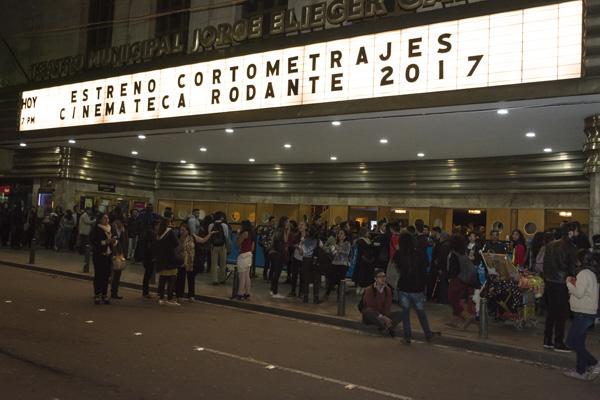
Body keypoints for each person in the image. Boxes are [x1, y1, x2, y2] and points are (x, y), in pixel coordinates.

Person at [564, 250, 600, 380]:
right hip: (586, 312)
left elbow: (578, 293)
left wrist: (568, 282)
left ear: (581, 260)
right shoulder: (591, 273)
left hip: (583, 313)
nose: (576, 261)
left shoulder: (584, 273)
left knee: (571, 341)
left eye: (577, 259)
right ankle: (581, 371)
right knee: (579, 342)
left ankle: (594, 363)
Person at [543, 222, 577, 352]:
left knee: (551, 312)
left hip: (550, 282)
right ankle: (558, 342)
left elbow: (545, 265)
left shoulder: (550, 245)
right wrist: (571, 279)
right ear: (570, 232)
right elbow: (572, 267)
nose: (576, 233)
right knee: (561, 314)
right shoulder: (571, 247)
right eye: (575, 231)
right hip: (562, 282)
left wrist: (547, 277)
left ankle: (547, 340)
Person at [395, 232, 433, 343]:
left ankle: (407, 336)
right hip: (417, 287)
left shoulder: (399, 254)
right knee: (421, 312)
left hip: (404, 286)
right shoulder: (420, 254)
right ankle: (428, 333)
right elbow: (426, 266)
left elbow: (398, 268)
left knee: (405, 313)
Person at [175, 222, 215, 302]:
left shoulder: (193, 237)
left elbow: (203, 240)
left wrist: (210, 234)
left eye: (184, 230)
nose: (182, 232)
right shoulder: (178, 238)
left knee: (191, 279)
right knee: (181, 279)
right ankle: (179, 295)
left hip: (191, 261)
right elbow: (176, 250)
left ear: (188, 231)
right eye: (181, 230)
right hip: (181, 261)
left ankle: (191, 295)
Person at [447, 233, 476, 329]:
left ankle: (467, 316)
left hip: (457, 279)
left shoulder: (453, 254)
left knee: (452, 298)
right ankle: (454, 320)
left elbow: (453, 269)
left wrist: (450, 278)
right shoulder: (463, 252)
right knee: (457, 298)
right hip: (465, 279)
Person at [361, 269, 402, 337]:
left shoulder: (387, 290)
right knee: (368, 311)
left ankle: (386, 327)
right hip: (373, 315)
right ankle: (387, 327)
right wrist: (383, 317)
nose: (382, 278)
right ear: (375, 279)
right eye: (380, 276)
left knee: (401, 313)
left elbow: (387, 306)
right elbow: (370, 306)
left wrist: (385, 316)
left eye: (384, 276)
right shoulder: (369, 289)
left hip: (382, 315)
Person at [89, 213, 116, 305]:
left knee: (106, 275)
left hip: (108, 255)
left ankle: (104, 294)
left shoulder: (110, 228)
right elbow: (94, 242)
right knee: (98, 275)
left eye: (107, 218)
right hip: (99, 255)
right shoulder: (96, 229)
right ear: (100, 219)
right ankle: (97, 294)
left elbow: (114, 239)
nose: (107, 220)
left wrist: (114, 241)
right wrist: (106, 242)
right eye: (105, 218)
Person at [154, 218, 180, 305]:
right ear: (168, 223)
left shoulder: (158, 233)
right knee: (172, 279)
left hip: (161, 259)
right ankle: (169, 298)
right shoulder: (170, 232)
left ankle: (161, 298)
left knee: (162, 279)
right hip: (170, 259)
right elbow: (176, 243)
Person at [324, 229, 351, 301]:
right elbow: (334, 254)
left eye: (341, 233)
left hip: (343, 264)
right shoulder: (336, 243)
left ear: (345, 236)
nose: (340, 235)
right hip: (335, 263)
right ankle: (327, 294)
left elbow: (346, 253)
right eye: (339, 233)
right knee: (332, 279)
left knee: (341, 281)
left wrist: (337, 248)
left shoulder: (347, 243)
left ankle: (339, 297)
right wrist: (332, 250)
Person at [269, 216, 290, 299]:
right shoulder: (283, 231)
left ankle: (272, 290)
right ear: (284, 222)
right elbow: (284, 243)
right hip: (279, 254)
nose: (289, 224)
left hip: (273, 253)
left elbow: (273, 240)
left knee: (275, 273)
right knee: (277, 273)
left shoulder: (277, 230)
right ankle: (275, 292)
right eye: (288, 222)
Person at [300, 225, 321, 304]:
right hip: (315, 261)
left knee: (306, 279)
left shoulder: (304, 240)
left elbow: (301, 252)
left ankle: (305, 297)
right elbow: (321, 250)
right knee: (316, 280)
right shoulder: (318, 241)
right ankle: (316, 298)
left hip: (306, 261)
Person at [352, 227, 376, 295]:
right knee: (361, 275)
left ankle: (364, 288)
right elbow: (360, 252)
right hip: (362, 260)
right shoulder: (360, 241)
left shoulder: (368, 240)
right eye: (367, 232)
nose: (368, 233)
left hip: (368, 261)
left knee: (366, 275)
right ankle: (360, 287)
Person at [235, 220, 255, 300]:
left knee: (242, 276)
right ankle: (247, 293)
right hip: (249, 255)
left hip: (243, 255)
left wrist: (238, 235)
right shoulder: (252, 234)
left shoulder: (244, 233)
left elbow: (237, 244)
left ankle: (240, 293)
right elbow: (252, 248)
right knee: (247, 276)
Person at [208, 211, 229, 285]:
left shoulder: (211, 225)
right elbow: (226, 236)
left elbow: (209, 235)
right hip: (222, 246)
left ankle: (215, 280)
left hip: (213, 246)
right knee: (222, 263)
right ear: (221, 217)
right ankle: (222, 279)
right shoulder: (224, 225)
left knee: (214, 263)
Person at [110, 219, 127, 300]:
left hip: (120, 254)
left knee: (117, 274)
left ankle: (114, 292)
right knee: (111, 274)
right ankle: (103, 292)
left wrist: (124, 254)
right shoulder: (111, 229)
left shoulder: (123, 231)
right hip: (113, 254)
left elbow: (125, 242)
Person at [141, 221, 157, 299]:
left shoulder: (149, 233)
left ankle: (145, 292)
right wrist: (153, 257)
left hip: (147, 257)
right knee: (148, 275)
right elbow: (151, 247)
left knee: (147, 275)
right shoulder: (152, 234)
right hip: (149, 258)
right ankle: (145, 292)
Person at [287, 220, 303, 297]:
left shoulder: (308, 236)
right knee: (294, 275)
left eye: (302, 225)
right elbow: (291, 244)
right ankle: (293, 291)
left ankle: (301, 292)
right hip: (296, 257)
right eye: (299, 224)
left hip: (304, 259)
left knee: (302, 276)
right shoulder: (297, 235)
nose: (300, 226)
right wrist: (296, 246)